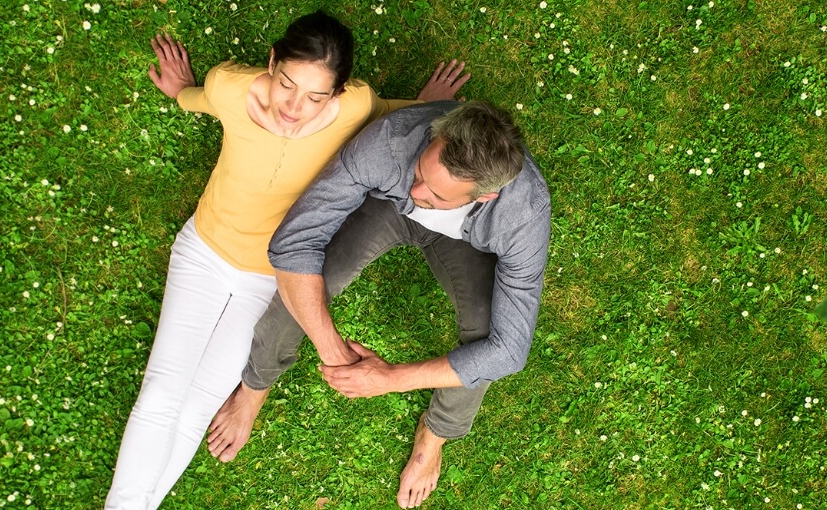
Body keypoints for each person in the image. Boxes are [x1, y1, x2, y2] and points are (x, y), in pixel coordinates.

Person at [105, 11, 471, 509]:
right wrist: (181, 91)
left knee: (200, 403)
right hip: (203, 253)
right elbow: (199, 97)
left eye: (316, 96)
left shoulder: (354, 107)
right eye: (286, 85)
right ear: (272, 62)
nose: (295, 108)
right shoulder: (230, 86)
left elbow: (385, 114)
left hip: (270, 277)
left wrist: (426, 107)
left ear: (338, 93)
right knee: (161, 394)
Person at [201, 100, 550, 509]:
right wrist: (331, 348)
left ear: (485, 197)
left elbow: (509, 350)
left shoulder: (523, 213)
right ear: (435, 136)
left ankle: (435, 435)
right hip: (387, 208)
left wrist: (390, 378)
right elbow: (293, 244)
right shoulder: (389, 143)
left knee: (486, 333)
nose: (417, 192)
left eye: (437, 194)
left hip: (465, 245)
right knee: (309, 280)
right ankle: (256, 384)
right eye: (420, 172)